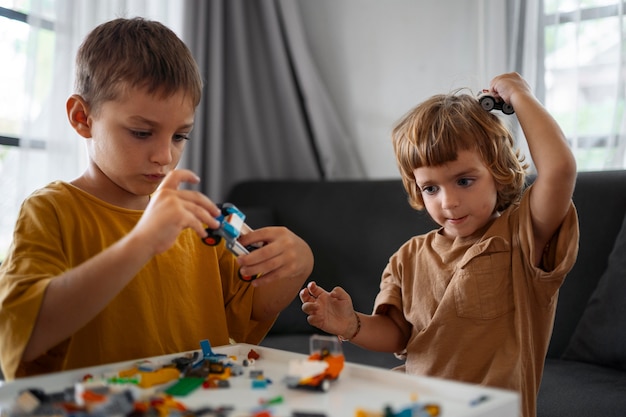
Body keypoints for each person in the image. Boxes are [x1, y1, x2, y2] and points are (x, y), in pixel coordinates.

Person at [0, 17, 313, 381]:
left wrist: (296, 264)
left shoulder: (195, 220)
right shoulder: (51, 211)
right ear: (82, 117)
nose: (164, 156)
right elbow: (23, 335)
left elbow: (249, 314)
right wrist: (143, 241)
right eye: (141, 132)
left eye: (181, 136)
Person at [300, 72, 578, 417]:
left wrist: (520, 96)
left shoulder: (523, 234)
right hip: (416, 405)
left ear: (499, 171)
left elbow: (560, 169)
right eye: (431, 188)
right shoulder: (408, 257)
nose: (448, 202)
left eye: (464, 180)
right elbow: (397, 335)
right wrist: (350, 324)